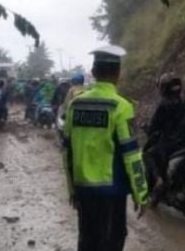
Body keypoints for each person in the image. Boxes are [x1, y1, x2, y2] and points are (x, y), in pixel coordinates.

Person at [63, 45, 148, 251]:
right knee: (111, 241)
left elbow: (67, 151)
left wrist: (72, 190)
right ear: (118, 74)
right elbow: (132, 155)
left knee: (87, 241)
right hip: (111, 193)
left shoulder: (75, 105)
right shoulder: (120, 106)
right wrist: (141, 193)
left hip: (83, 190)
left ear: (93, 72)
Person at [145, 73, 185, 199]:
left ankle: (159, 180)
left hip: (169, 145)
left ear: (163, 88)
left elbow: (154, 126)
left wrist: (150, 131)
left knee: (148, 155)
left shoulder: (163, 105)